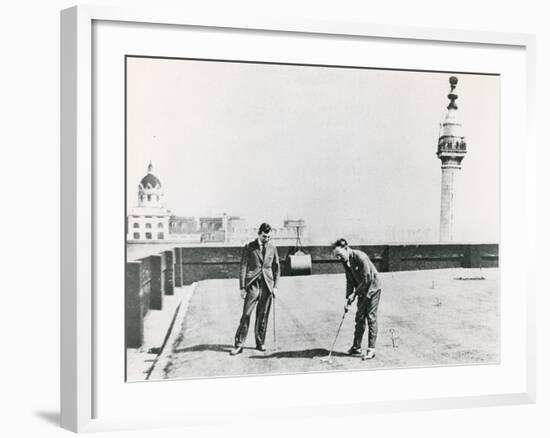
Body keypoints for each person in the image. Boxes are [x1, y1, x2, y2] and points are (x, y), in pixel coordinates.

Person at [230, 223, 280, 355]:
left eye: (268, 237)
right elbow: (243, 267)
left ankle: (260, 342)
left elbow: (276, 268)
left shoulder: (272, 248)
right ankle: (239, 344)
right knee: (246, 314)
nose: (266, 239)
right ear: (259, 234)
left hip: (267, 285)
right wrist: (242, 287)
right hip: (253, 285)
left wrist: (275, 287)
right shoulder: (249, 247)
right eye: (264, 236)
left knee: (262, 315)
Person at [332, 238, 382, 360]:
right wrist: (347, 298)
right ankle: (356, 347)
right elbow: (349, 280)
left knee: (370, 317)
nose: (338, 258)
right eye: (336, 256)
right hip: (362, 289)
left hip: (372, 288)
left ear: (346, 248)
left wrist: (354, 295)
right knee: (359, 317)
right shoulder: (345, 261)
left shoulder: (361, 257)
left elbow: (367, 279)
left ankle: (371, 349)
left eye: (339, 255)